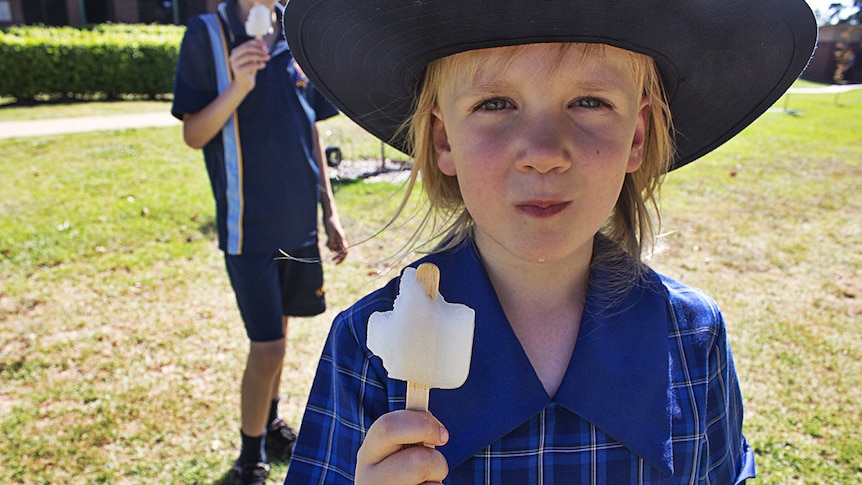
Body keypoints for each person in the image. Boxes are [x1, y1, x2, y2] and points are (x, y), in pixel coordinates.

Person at [280, 1, 816, 484]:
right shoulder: (367, 351)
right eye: (494, 104)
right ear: (444, 139)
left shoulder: (693, 337)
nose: (543, 152)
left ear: (637, 135)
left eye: (589, 100)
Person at [170, 1, 349, 483]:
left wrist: (328, 210)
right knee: (267, 345)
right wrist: (239, 85)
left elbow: (309, 124)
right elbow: (194, 133)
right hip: (248, 227)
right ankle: (250, 459)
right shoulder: (207, 34)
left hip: (298, 224)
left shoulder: (295, 30)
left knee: (282, 334)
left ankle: (269, 425)